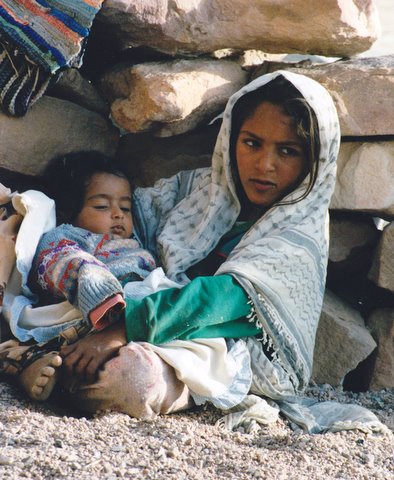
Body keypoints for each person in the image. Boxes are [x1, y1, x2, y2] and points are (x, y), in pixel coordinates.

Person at [0, 72, 386, 433]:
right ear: (231, 138)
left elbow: (219, 300)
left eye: (287, 151)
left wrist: (120, 330)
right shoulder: (200, 192)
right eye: (251, 143)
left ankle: (47, 364)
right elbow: (122, 219)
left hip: (210, 349)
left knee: (130, 378)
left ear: (314, 159)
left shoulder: (296, 241)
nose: (264, 165)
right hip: (123, 312)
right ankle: (45, 361)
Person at [0, 152, 156, 401]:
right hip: (91, 311)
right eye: (102, 206)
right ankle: (28, 367)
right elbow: (65, 262)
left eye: (125, 207)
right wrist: (99, 294)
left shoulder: (140, 244)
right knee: (43, 345)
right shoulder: (68, 236)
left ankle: (51, 372)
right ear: (71, 211)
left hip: (131, 321)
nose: (118, 214)